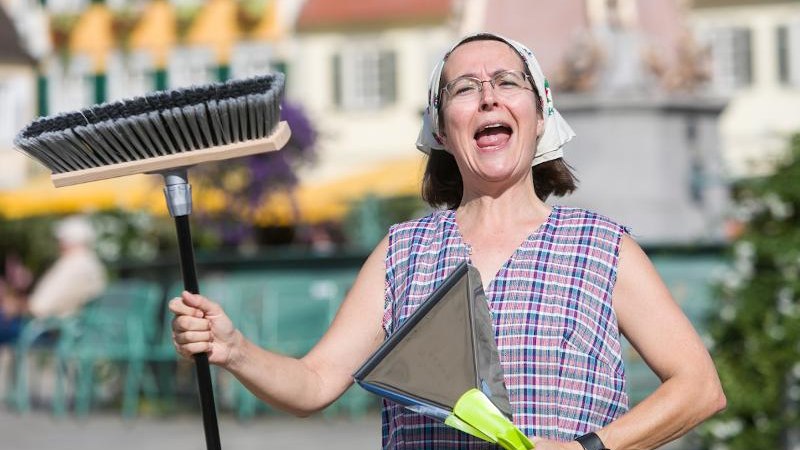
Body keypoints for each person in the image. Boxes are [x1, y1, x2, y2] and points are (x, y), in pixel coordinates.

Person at [170, 32, 725, 449]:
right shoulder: (403, 252)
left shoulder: (600, 248)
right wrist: (235, 350)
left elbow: (699, 387)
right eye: (464, 88)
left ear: (540, 113)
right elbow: (314, 384)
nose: (488, 97)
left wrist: (591, 449)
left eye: (507, 82)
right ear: (441, 129)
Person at [27, 215, 107, 319]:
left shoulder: (74, 264)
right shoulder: (91, 262)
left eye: (61, 240)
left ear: (69, 241)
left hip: (60, 324)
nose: (59, 244)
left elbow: (40, 306)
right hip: (77, 321)